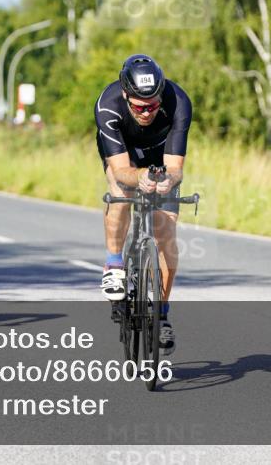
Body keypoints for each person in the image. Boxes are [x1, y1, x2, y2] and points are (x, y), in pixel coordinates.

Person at [94, 54, 192, 355]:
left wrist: (167, 181)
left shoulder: (178, 102)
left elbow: (176, 167)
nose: (147, 112)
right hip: (126, 155)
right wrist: (139, 177)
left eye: (152, 105)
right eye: (139, 106)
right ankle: (114, 263)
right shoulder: (108, 105)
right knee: (121, 188)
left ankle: (161, 312)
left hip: (161, 155)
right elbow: (122, 169)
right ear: (126, 95)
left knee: (167, 231)